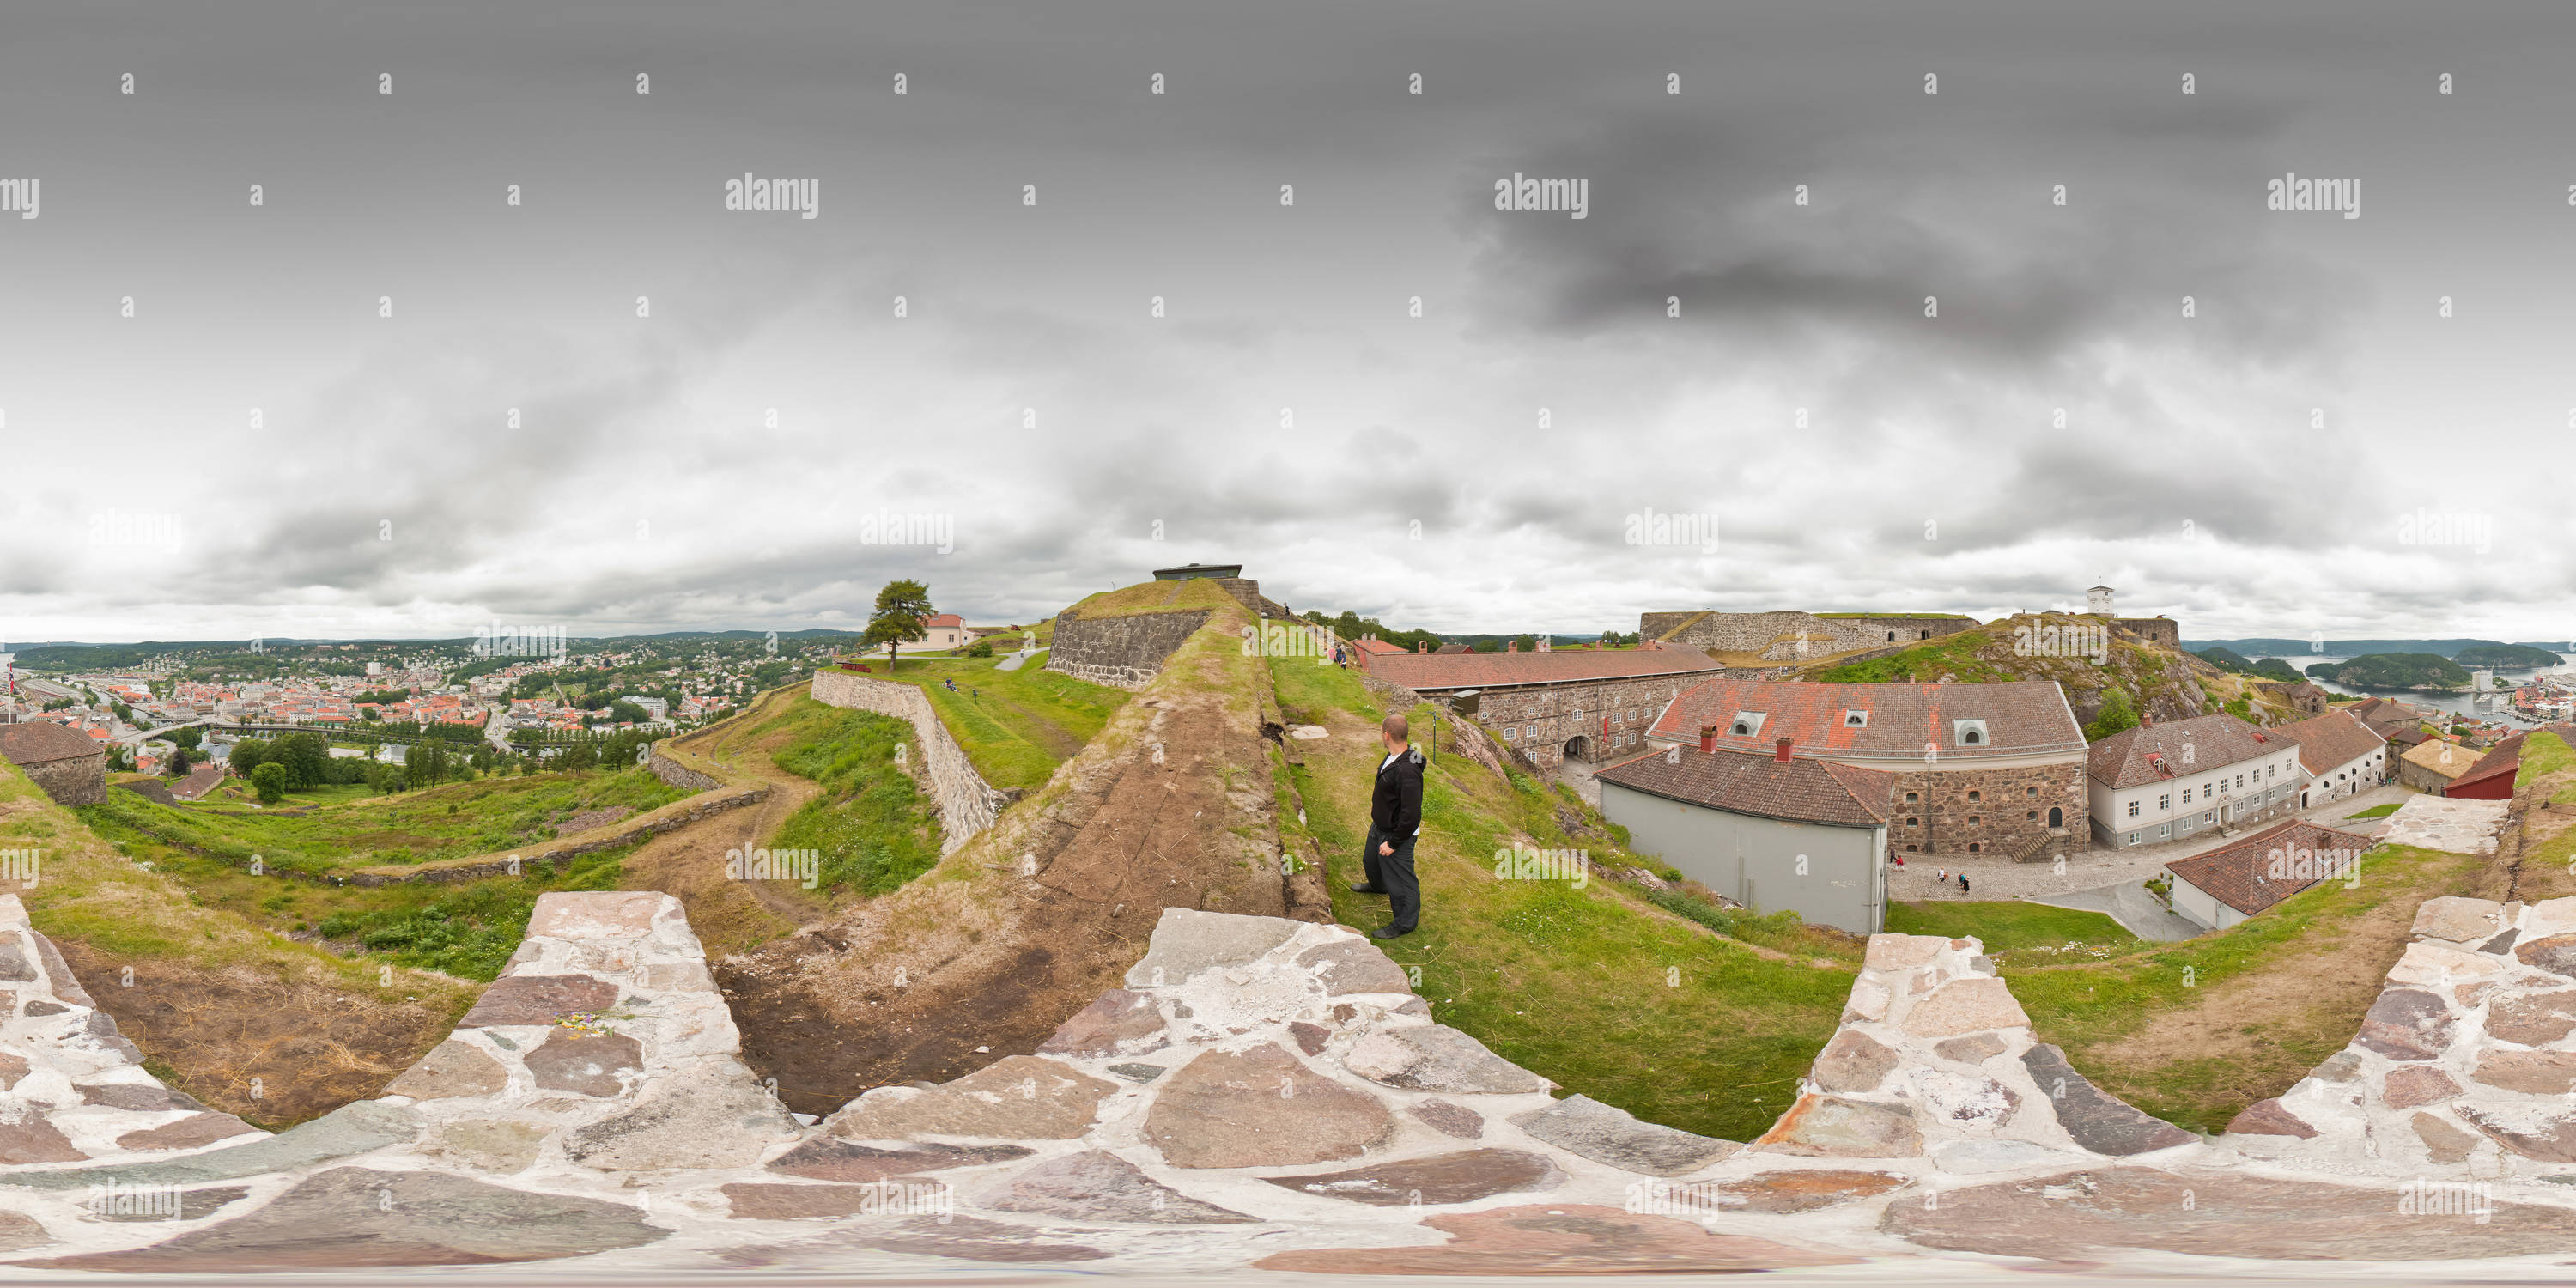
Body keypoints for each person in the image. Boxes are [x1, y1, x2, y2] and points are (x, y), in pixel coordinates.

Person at [1348, 713, 1425, 939]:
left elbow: (1412, 814)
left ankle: (1405, 923)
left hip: (1397, 834)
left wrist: (1393, 843)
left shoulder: (1408, 770)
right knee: (1370, 860)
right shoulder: (1394, 756)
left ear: (1386, 735)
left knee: (1401, 881)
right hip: (1380, 825)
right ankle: (1378, 886)